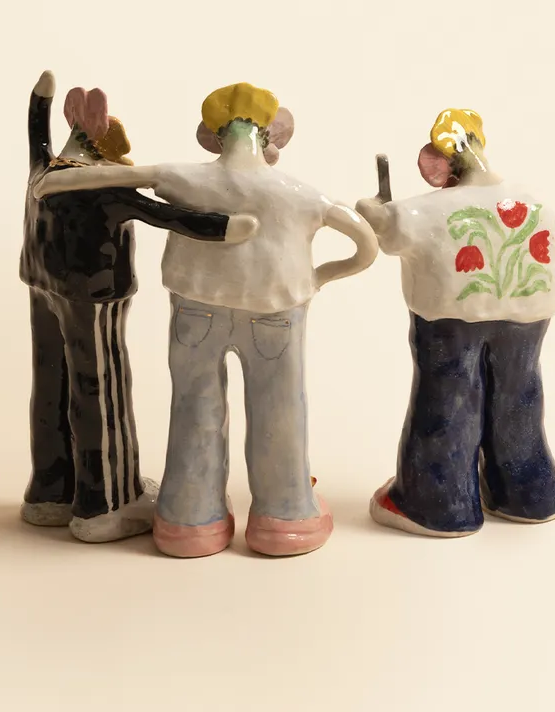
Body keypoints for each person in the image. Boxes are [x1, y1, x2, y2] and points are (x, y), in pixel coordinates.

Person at [35, 82, 379, 557]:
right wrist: (320, 276)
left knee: (194, 404)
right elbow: (365, 245)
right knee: (279, 407)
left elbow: (106, 178)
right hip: (275, 310)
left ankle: (189, 519)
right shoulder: (300, 194)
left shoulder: (184, 177)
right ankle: (285, 516)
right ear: (270, 135)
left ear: (214, 135)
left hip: (195, 306)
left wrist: (50, 182)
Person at [20, 71, 257, 543]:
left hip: (41, 286)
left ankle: (50, 491)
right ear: (103, 146)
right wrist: (228, 228)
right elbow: (167, 215)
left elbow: (35, 132)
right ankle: (105, 503)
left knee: (50, 383)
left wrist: (40, 100)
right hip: (93, 297)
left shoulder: (44, 169)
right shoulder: (105, 186)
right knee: (99, 388)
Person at [356, 109, 555, 537]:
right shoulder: (545, 204)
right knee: (518, 398)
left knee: (446, 402)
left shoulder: (420, 211)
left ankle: (436, 505)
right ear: (481, 145)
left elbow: (385, 231)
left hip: (448, 321)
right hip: (528, 318)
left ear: (438, 163)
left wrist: (371, 207)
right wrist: (545, 278)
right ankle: (530, 495)